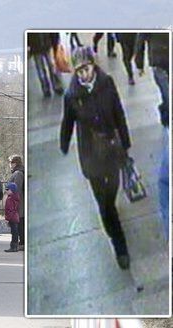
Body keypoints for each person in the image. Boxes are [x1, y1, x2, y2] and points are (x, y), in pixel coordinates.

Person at [60, 46, 132, 270]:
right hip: (91, 156)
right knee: (104, 203)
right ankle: (119, 246)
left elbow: (118, 112)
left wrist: (126, 142)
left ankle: (110, 216)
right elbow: (67, 122)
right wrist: (63, 143)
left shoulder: (107, 83)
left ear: (94, 65)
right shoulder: (72, 95)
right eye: (79, 71)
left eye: (86, 68)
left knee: (112, 193)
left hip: (112, 149)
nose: (83, 74)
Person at [136, 32, 169, 239]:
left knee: (167, 96)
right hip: (160, 61)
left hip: (160, 60)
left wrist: (139, 62)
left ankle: (165, 113)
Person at [28, 33, 64, 97]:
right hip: (36, 48)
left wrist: (55, 42)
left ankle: (55, 86)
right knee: (41, 70)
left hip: (46, 44)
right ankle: (46, 89)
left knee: (52, 66)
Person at [8, 154, 25, 250]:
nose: (9, 165)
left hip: (19, 201)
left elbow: (17, 189)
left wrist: (13, 201)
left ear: (14, 163)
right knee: (20, 222)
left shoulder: (18, 173)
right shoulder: (19, 172)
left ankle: (22, 242)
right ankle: (21, 241)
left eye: (10, 162)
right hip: (19, 200)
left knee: (20, 222)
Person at [4, 182, 20, 253]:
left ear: (12, 190)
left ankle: (13, 247)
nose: (6, 191)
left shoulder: (10, 199)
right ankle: (15, 246)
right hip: (15, 217)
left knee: (14, 233)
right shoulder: (15, 198)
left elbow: (10, 210)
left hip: (12, 217)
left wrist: (7, 219)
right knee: (15, 232)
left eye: (7, 189)